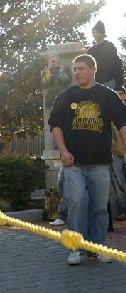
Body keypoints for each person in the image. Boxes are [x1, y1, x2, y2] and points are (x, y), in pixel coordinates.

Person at [48, 54, 126, 266]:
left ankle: (96, 248)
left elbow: (122, 124)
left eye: (81, 68)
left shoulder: (108, 96)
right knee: (77, 202)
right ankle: (75, 248)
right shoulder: (65, 96)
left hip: (100, 163)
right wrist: (63, 152)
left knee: (99, 208)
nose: (76, 72)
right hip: (74, 164)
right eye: (75, 69)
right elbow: (55, 126)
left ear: (93, 70)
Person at [87, 21, 124, 90]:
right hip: (95, 83)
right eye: (93, 33)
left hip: (109, 82)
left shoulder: (109, 46)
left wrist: (119, 84)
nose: (95, 34)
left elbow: (117, 65)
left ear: (102, 33)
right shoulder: (91, 50)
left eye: (97, 32)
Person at [110, 86, 126, 221]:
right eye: (115, 94)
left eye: (120, 94)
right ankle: (124, 209)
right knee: (117, 181)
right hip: (115, 153)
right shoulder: (110, 112)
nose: (118, 96)